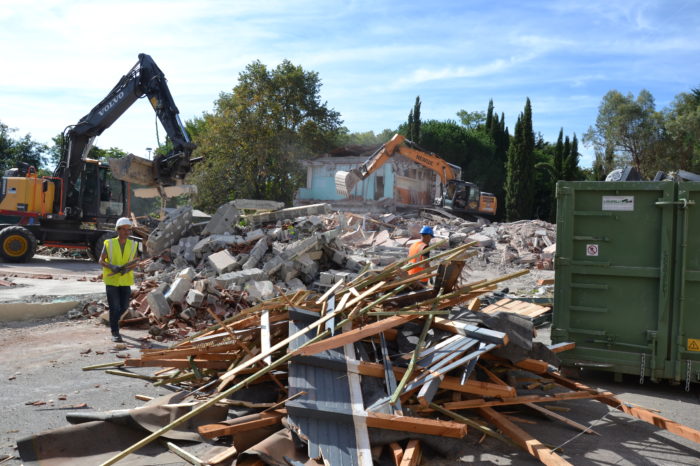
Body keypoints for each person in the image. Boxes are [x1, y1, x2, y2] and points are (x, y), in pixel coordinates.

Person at [99, 217, 139, 342]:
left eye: (129, 230)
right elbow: (101, 260)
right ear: (118, 230)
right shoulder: (109, 243)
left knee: (124, 307)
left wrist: (126, 270)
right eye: (125, 229)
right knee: (114, 307)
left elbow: (135, 262)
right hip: (111, 281)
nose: (127, 232)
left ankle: (113, 322)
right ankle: (115, 332)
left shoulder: (133, 244)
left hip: (125, 280)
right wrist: (112, 266)